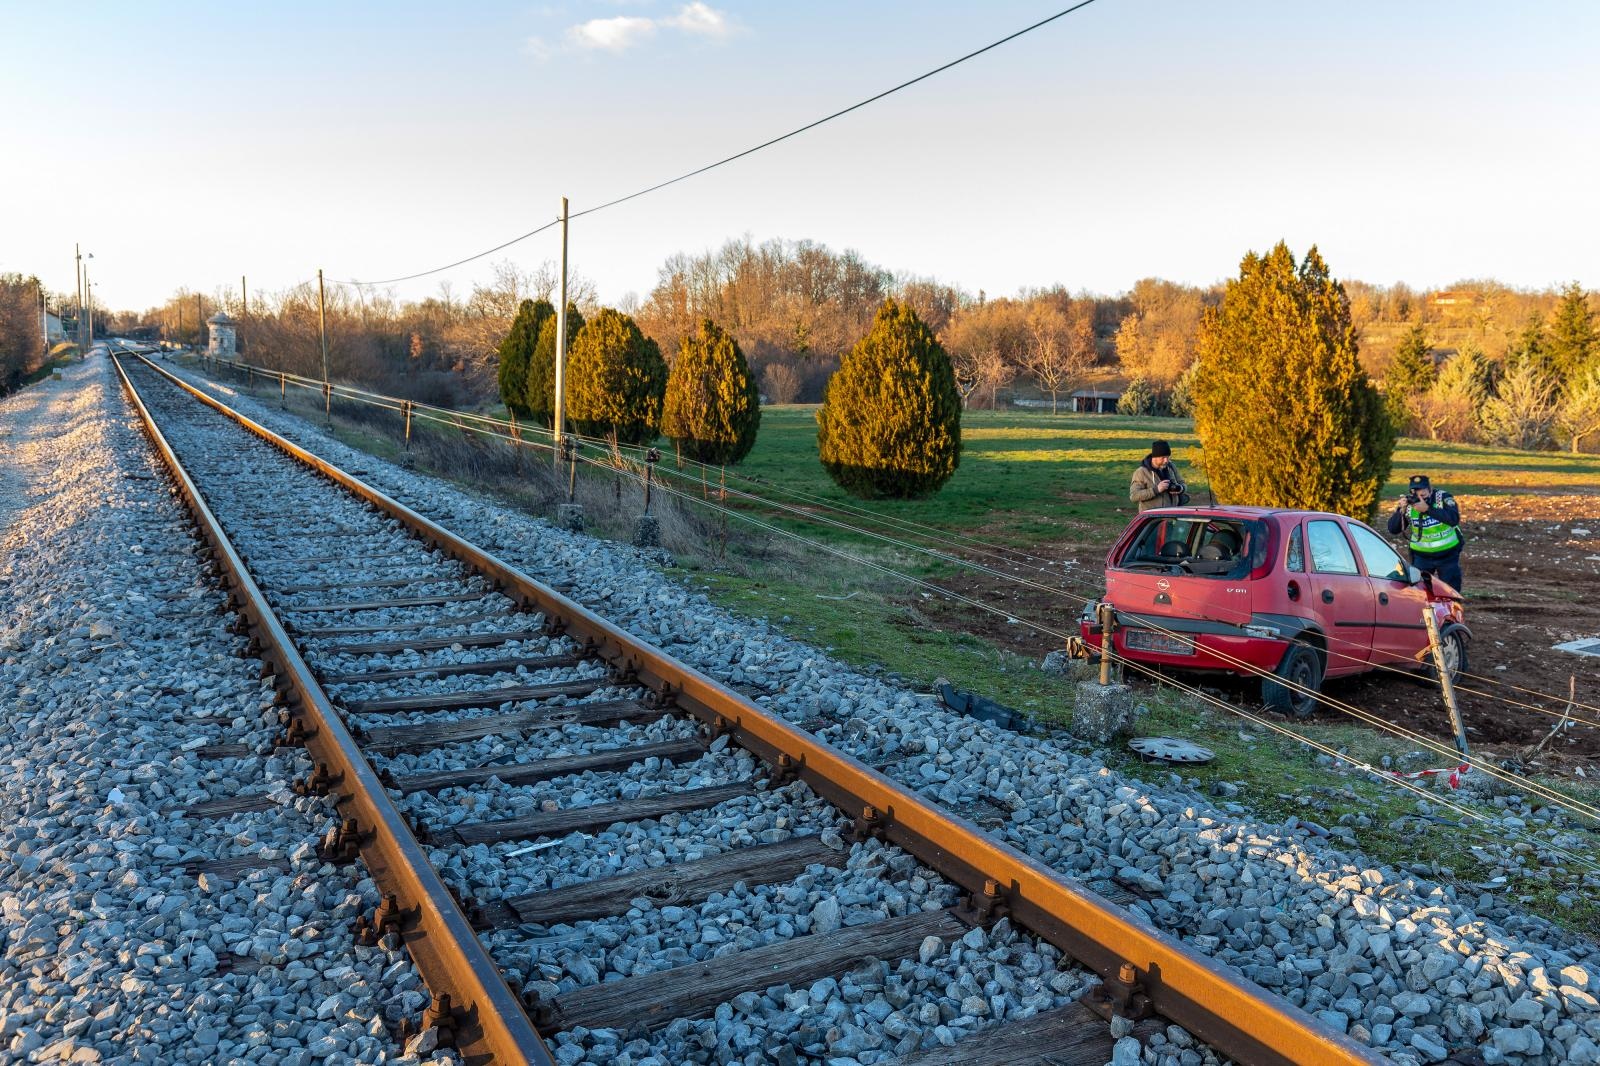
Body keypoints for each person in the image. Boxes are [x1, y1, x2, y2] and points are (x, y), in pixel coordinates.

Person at [1387, 474, 1464, 591]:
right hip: (1421, 556)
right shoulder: (1409, 504)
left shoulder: (1442, 498)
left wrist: (1428, 510)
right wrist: (1400, 511)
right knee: (1420, 591)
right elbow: (1393, 529)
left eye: (1423, 494)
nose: (1420, 497)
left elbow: (1454, 519)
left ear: (1430, 490)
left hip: (1448, 554)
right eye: (1416, 494)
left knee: (1451, 590)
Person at [1130, 439, 1190, 512]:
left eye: (1167, 457)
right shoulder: (1141, 472)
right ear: (1154, 457)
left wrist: (1180, 488)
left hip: (1172, 515)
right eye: (1163, 458)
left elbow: (1182, 483)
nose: (1166, 461)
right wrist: (1156, 490)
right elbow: (1134, 496)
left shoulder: (1171, 467)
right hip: (1152, 519)